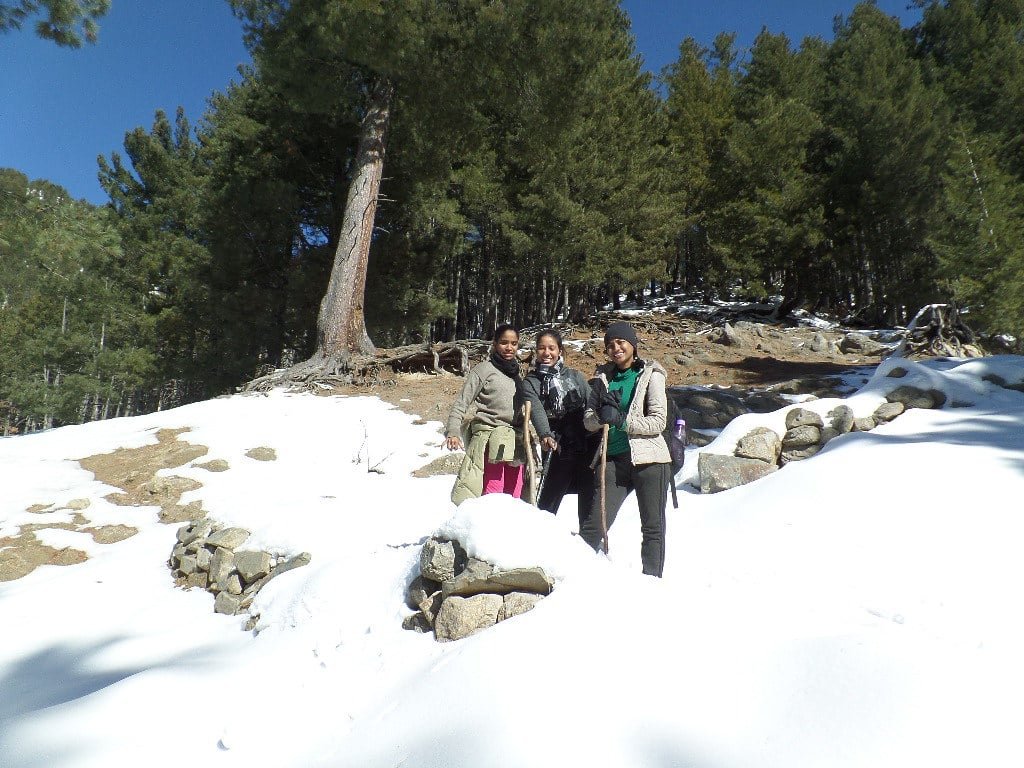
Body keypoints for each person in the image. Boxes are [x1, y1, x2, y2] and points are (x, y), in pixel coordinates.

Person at [582, 321, 671, 577]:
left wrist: (622, 419)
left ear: (633, 344)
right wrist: (602, 416)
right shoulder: (601, 379)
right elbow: (588, 422)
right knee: (595, 525)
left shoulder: (651, 374)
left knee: (652, 527)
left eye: (620, 342)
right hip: (613, 458)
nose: (615, 348)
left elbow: (657, 421)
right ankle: (577, 578)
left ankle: (651, 582)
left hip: (649, 459)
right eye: (610, 345)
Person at [446, 324, 526, 505]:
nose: (509, 347)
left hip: (515, 438)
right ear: (495, 343)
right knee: (494, 491)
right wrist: (452, 432)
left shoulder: (517, 374)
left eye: (514, 343)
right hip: (491, 438)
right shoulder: (483, 370)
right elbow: (462, 403)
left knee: (516, 491)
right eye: (504, 342)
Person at [522, 330, 596, 525]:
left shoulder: (575, 376)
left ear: (560, 350)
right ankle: (540, 532)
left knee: (588, 495)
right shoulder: (531, 381)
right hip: (557, 443)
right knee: (550, 496)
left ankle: (587, 541)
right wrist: (544, 434)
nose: (547, 353)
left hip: (584, 442)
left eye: (551, 348)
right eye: (541, 348)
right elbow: (536, 409)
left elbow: (592, 403)